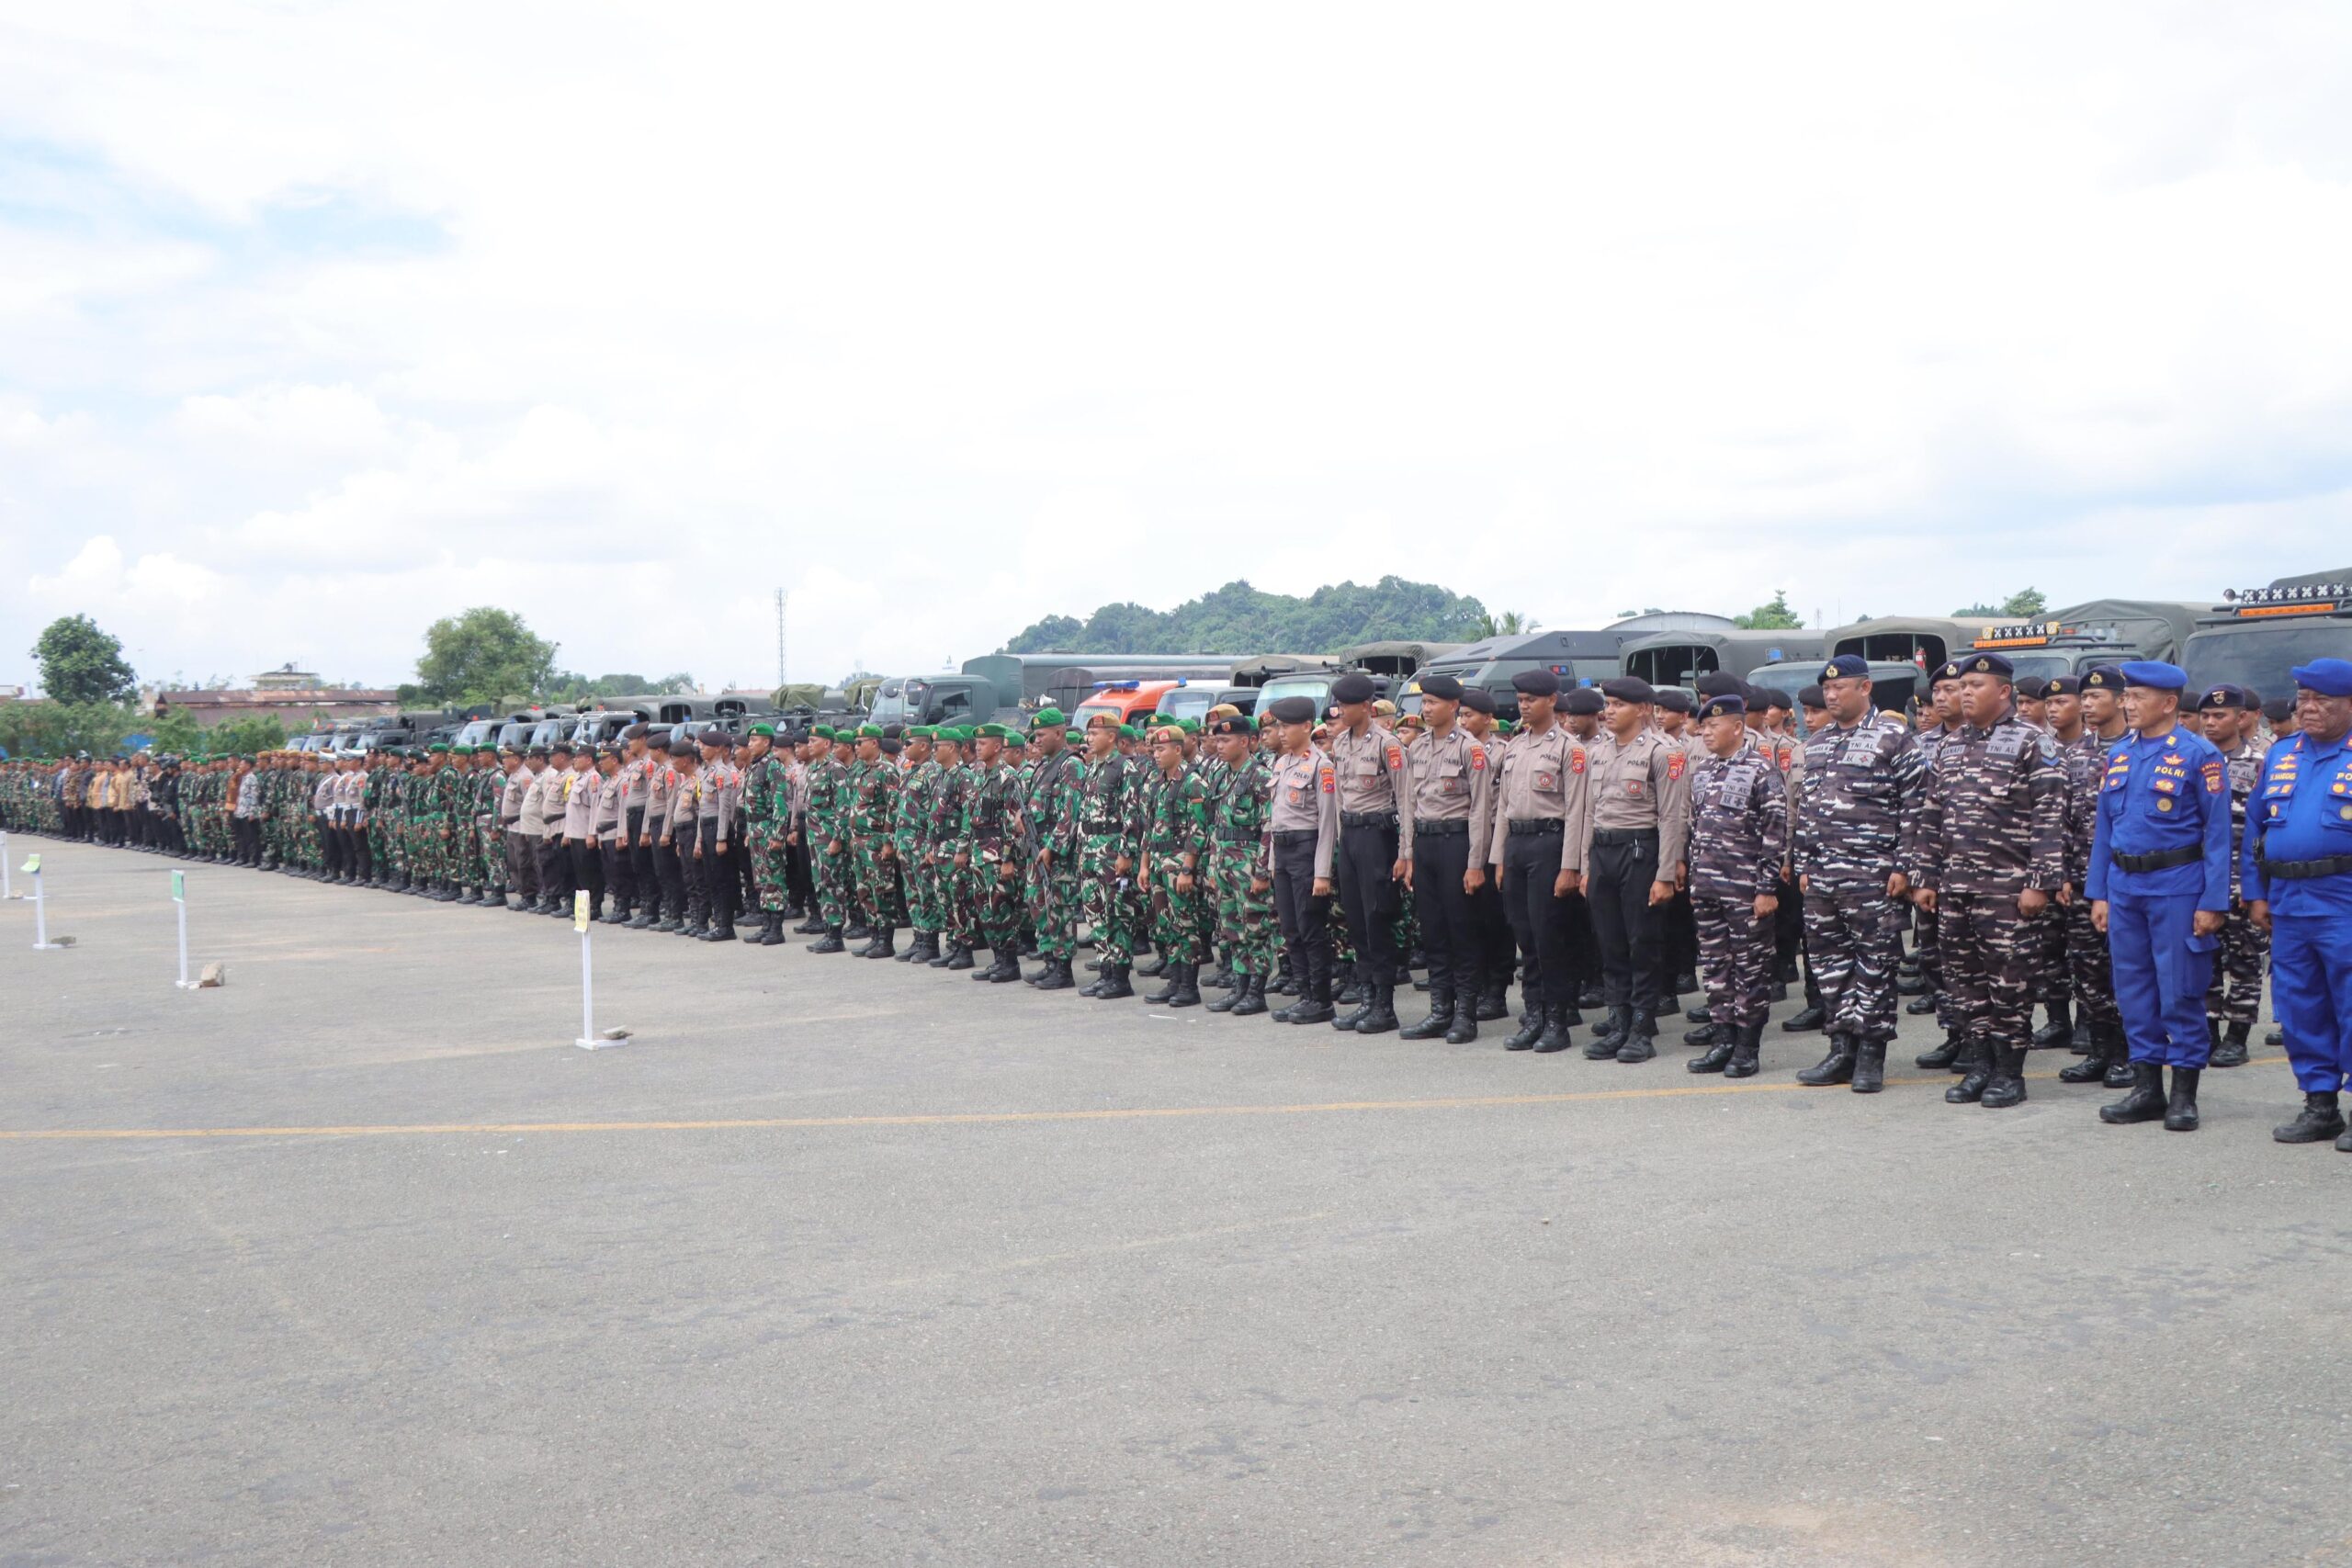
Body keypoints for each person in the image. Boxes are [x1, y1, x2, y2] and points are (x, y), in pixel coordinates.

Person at [1905, 652, 2066, 1111]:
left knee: (2010, 983)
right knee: (1964, 982)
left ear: (2003, 691)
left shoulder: (2033, 742)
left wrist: (2041, 882)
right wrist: (1925, 877)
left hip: (2009, 890)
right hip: (1956, 888)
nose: (1965, 693)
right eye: (1961, 686)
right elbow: (1931, 816)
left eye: (1976, 685)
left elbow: (2050, 818)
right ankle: (1979, 1066)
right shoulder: (1948, 745)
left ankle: (2009, 1073)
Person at [2084, 661, 2233, 1130]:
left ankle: (2183, 1095)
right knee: (2133, 991)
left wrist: (2213, 902)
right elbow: (2105, 829)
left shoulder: (2199, 755)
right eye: (2126, 696)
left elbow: (2218, 835)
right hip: (2125, 887)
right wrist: (2099, 893)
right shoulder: (2122, 754)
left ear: (2168, 703)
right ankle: (2146, 1088)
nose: (2127, 704)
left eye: (2137, 697)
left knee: (2180, 990)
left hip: (2177, 886)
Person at [1788, 657, 1930, 1091]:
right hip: (1823, 877)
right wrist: (1804, 866)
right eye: (1826, 690)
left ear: (1865, 688)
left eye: (1840, 688)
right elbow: (1807, 811)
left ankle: (1871, 1054)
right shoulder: (1815, 744)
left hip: (1873, 874)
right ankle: (1841, 1049)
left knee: (1875, 966)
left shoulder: (1894, 737)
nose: (1830, 696)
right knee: (1830, 967)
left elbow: (1916, 806)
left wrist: (1905, 866)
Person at [2244, 658, 2352, 1150]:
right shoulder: (2283, 753)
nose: (2308, 709)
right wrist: (2257, 893)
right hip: (2289, 902)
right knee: (2300, 1006)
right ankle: (2320, 1105)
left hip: (2343, 900)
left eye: (2321, 701)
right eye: (2303, 699)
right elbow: (2255, 831)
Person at [1578, 676, 1690, 1061]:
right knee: (1609, 943)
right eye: (1607, 704)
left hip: (1641, 851)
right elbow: (1589, 812)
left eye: (1617, 705)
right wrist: (1584, 865)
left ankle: (1642, 1029)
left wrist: (1664, 875)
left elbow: (1672, 817)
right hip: (1603, 852)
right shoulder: (1598, 751)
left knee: (1642, 942)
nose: (1608, 711)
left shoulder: (1664, 751)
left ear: (1642, 709)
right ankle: (1619, 1022)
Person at [1684, 695, 1790, 1077]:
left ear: (1737, 727)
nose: (1705, 733)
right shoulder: (1703, 771)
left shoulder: (1762, 771)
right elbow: (1695, 829)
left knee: (1750, 967)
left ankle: (1747, 1046)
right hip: (1708, 887)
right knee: (1715, 968)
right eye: (1702, 727)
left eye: (1712, 726)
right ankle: (1723, 1039)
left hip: (1746, 890)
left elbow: (1774, 834)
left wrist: (1765, 889)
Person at [1490, 670, 1592, 1055]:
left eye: (1531, 699)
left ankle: (1556, 1021)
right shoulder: (1515, 747)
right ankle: (1533, 1016)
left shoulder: (1569, 748)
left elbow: (1578, 809)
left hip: (1551, 843)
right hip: (1517, 844)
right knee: (1525, 935)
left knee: (1550, 936)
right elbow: (1503, 807)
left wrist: (1570, 866)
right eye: (1520, 699)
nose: (1523, 705)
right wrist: (1499, 858)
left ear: (1552, 700)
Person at [1399, 674, 1492, 1043]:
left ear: (1453, 706)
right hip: (1425, 844)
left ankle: (1466, 1013)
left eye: (1433, 703)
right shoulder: (1417, 747)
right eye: (1424, 703)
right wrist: (1407, 855)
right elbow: (1408, 804)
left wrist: (1475, 863)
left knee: (1461, 930)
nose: (1426, 709)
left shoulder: (1470, 748)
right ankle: (1440, 1010)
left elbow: (1481, 809)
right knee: (1434, 930)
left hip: (1457, 844)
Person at [1324, 671, 1414, 1034]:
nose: (1339, 711)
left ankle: (1385, 1005)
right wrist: (1344, 839)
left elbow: (1405, 798)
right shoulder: (1341, 743)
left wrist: (1405, 851)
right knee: (1357, 920)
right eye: (1338, 705)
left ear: (1365, 706)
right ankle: (1367, 998)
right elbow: (1341, 796)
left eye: (1346, 705)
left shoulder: (1388, 744)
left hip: (1379, 835)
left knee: (1378, 917)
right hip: (1353, 837)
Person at [2058, 666, 2135, 1087]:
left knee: (2128, 969)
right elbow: (2061, 820)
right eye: (2083, 697)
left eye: (2095, 697)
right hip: (2084, 881)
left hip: (2126, 880)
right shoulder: (2074, 754)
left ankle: (2132, 1054)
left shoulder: (2139, 749)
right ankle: (2102, 1051)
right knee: (2087, 971)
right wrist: (2064, 876)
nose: (2086, 704)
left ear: (2121, 700)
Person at [2196, 683, 2267, 1067]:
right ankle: (2206, 1031)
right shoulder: (2194, 759)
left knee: (2244, 961)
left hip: (2243, 877)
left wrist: (2257, 884)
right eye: (2205, 715)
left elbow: (2265, 828)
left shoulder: (2260, 762)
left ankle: (2237, 1035)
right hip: (2203, 879)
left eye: (2219, 715)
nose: (2210, 722)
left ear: (2240, 718)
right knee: (2203, 959)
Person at [1264, 694, 1340, 1024]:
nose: (1281, 732)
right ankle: (1305, 995)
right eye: (1278, 726)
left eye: (1287, 726)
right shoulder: (1281, 764)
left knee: (1311, 930)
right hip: (1282, 852)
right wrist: (1270, 862)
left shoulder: (1321, 765)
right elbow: (1274, 818)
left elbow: (1327, 824)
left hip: (1307, 852)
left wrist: (1322, 873)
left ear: (1307, 726)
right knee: (1291, 930)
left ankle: (1321, 1000)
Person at [1021, 708, 1084, 988]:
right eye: (1034, 736)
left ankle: (1063, 968)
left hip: (1055, 854)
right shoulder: (1043, 766)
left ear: (1059, 733)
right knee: (1038, 906)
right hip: (1036, 849)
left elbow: (1070, 812)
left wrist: (1053, 848)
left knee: (1059, 908)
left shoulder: (1070, 765)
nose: (1037, 741)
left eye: (1042, 735)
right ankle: (1049, 962)